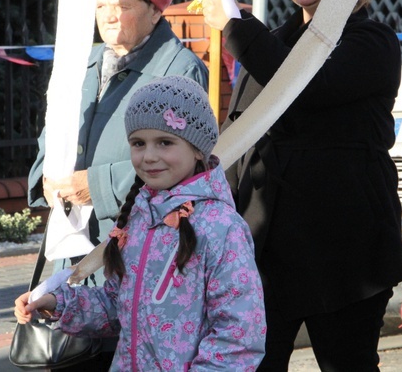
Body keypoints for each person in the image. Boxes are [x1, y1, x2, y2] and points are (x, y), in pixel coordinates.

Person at [196, 0, 402, 371]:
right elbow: (241, 138)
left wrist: (236, 27)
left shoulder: (372, 41)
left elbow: (306, 85)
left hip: (344, 253)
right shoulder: (273, 43)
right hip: (267, 252)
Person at [27, 0, 208, 367]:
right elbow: (53, 130)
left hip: (134, 252)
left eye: (122, 5)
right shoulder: (84, 61)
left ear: (155, 10)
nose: (109, 16)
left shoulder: (177, 69)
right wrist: (45, 176)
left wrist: (98, 184)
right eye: (101, 5)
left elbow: (179, 160)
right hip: (71, 248)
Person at [16, 75, 266, 370]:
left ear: (198, 148)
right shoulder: (139, 218)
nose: (149, 156)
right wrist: (59, 303)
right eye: (138, 143)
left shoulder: (222, 227)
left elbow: (239, 336)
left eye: (165, 142)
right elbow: (117, 303)